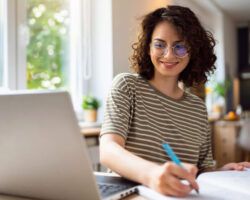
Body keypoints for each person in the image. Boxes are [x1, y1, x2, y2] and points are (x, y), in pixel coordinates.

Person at [99, 5, 250, 197]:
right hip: (130, 194)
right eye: (159, 44)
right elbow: (108, 150)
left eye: (180, 46)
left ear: (193, 51)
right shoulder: (127, 86)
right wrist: (152, 174)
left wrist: (221, 171)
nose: (169, 55)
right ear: (148, 46)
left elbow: (200, 170)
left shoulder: (197, 108)